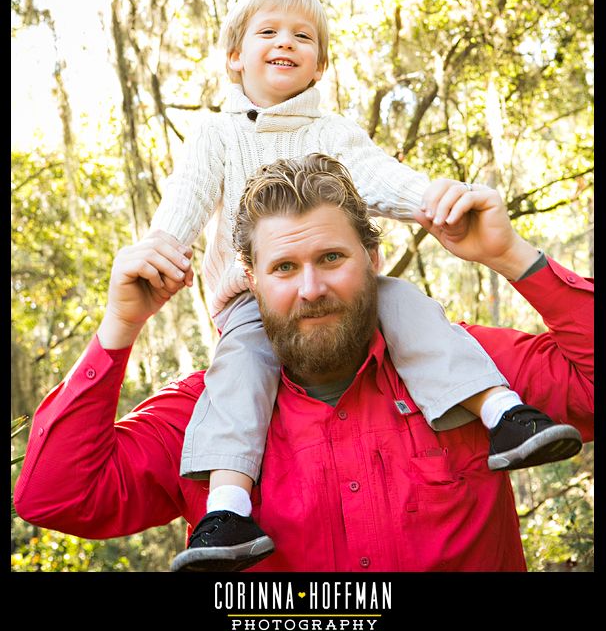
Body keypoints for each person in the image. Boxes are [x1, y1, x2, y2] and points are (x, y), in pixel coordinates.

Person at [144, 0, 579, 569]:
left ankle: (504, 413)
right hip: (253, 304)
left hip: (354, 292)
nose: (285, 43)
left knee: (408, 306)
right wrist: (160, 250)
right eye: (267, 32)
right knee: (240, 370)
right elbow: (186, 202)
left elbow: (385, 180)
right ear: (234, 57)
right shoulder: (214, 134)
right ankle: (226, 508)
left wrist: (440, 201)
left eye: (303, 36)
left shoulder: (336, 134)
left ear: (320, 64)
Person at [14, 154, 591, 573]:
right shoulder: (203, 414)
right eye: (284, 268)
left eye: (332, 257)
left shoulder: (466, 366)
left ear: (373, 259)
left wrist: (511, 256)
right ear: (253, 282)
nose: (311, 288)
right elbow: (57, 494)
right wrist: (119, 329)